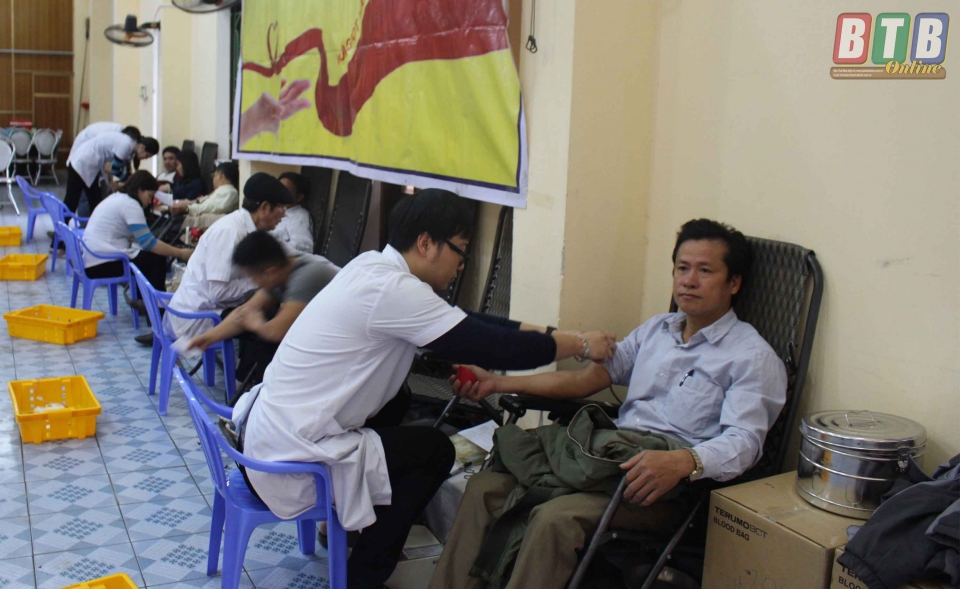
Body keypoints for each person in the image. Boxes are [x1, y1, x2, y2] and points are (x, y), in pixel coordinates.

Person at [231, 189, 617, 589]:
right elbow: (490, 344)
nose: (462, 264)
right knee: (434, 451)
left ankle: (352, 527)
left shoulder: (371, 266)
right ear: (426, 243)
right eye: (460, 251)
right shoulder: (393, 290)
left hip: (265, 434)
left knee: (397, 398)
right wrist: (581, 344)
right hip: (288, 459)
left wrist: (556, 335)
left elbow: (469, 322)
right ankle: (364, 576)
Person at [428, 219, 789, 589]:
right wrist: (497, 382)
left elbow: (745, 442)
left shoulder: (751, 357)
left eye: (705, 270)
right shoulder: (656, 330)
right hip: (605, 460)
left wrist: (684, 461)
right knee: (485, 489)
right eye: (682, 268)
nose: (689, 280)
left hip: (663, 487)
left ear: (734, 283)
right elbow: (584, 381)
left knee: (554, 518)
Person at [187, 231, 339, 389]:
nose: (254, 283)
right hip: (327, 334)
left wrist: (256, 324)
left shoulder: (308, 276)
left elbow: (277, 331)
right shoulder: (282, 271)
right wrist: (207, 338)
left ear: (270, 272)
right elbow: (244, 312)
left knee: (267, 335)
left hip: (343, 346)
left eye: (253, 277)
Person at [161, 172, 292, 344]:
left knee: (267, 308)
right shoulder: (230, 232)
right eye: (282, 208)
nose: (284, 215)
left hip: (210, 306)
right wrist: (262, 281)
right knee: (271, 322)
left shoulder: (249, 229)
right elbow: (218, 293)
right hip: (199, 316)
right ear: (265, 207)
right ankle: (250, 364)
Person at [81, 170, 193, 292]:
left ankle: (144, 299)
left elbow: (142, 240)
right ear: (139, 190)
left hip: (92, 258)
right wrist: (181, 253)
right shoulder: (131, 205)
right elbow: (148, 243)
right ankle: (155, 302)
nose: (150, 202)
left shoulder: (118, 197)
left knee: (147, 258)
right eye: (149, 196)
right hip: (101, 264)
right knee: (156, 260)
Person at [65, 128, 159, 213]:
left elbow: (125, 171)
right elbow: (115, 170)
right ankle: (61, 223)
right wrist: (131, 182)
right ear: (142, 148)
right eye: (146, 156)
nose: (145, 158)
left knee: (95, 200)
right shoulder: (126, 144)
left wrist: (127, 180)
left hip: (91, 165)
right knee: (72, 200)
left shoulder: (131, 145)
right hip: (82, 162)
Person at [170, 161, 239, 216]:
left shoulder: (229, 192)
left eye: (214, 175)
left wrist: (187, 209)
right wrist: (186, 203)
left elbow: (209, 208)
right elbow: (202, 202)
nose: (213, 179)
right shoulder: (222, 191)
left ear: (220, 175)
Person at [270, 171, 313, 253]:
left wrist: (273, 247)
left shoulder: (299, 216)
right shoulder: (275, 211)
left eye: (286, 190)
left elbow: (304, 247)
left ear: (299, 197)